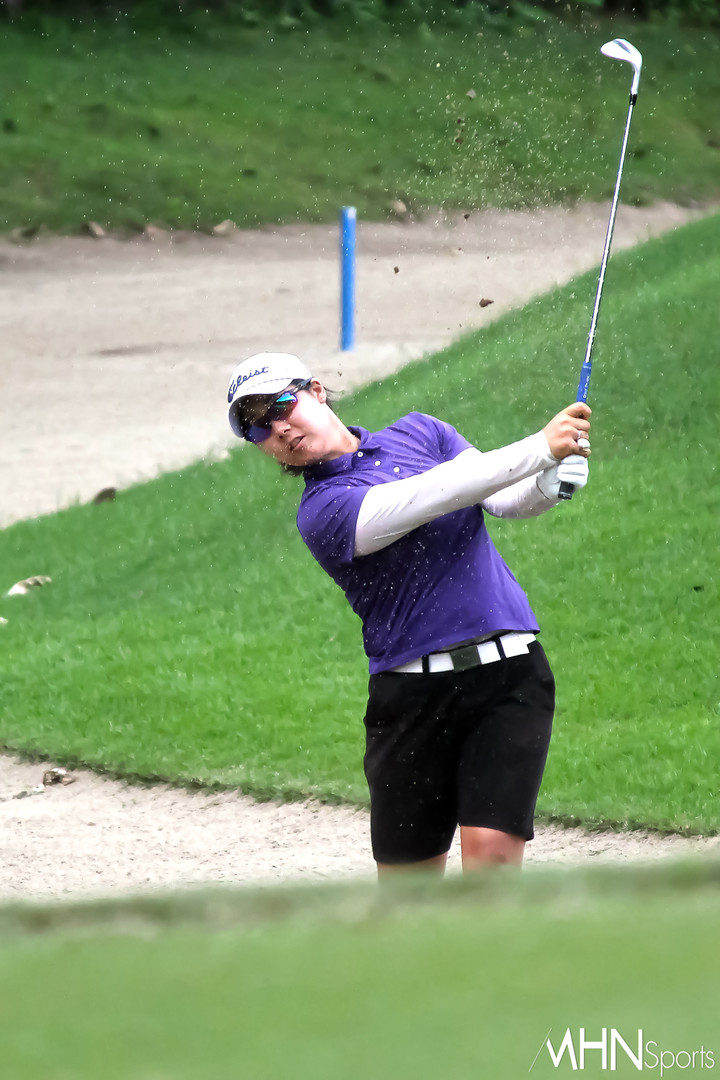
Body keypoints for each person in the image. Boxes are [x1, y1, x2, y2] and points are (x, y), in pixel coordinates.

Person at [226, 351, 591, 877]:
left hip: (509, 677)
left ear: (317, 391)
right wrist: (538, 448)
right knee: (408, 894)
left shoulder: (422, 432)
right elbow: (430, 496)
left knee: (492, 867)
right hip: (411, 702)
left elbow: (503, 498)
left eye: (281, 406)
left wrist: (549, 484)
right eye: (259, 428)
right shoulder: (323, 510)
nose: (278, 428)